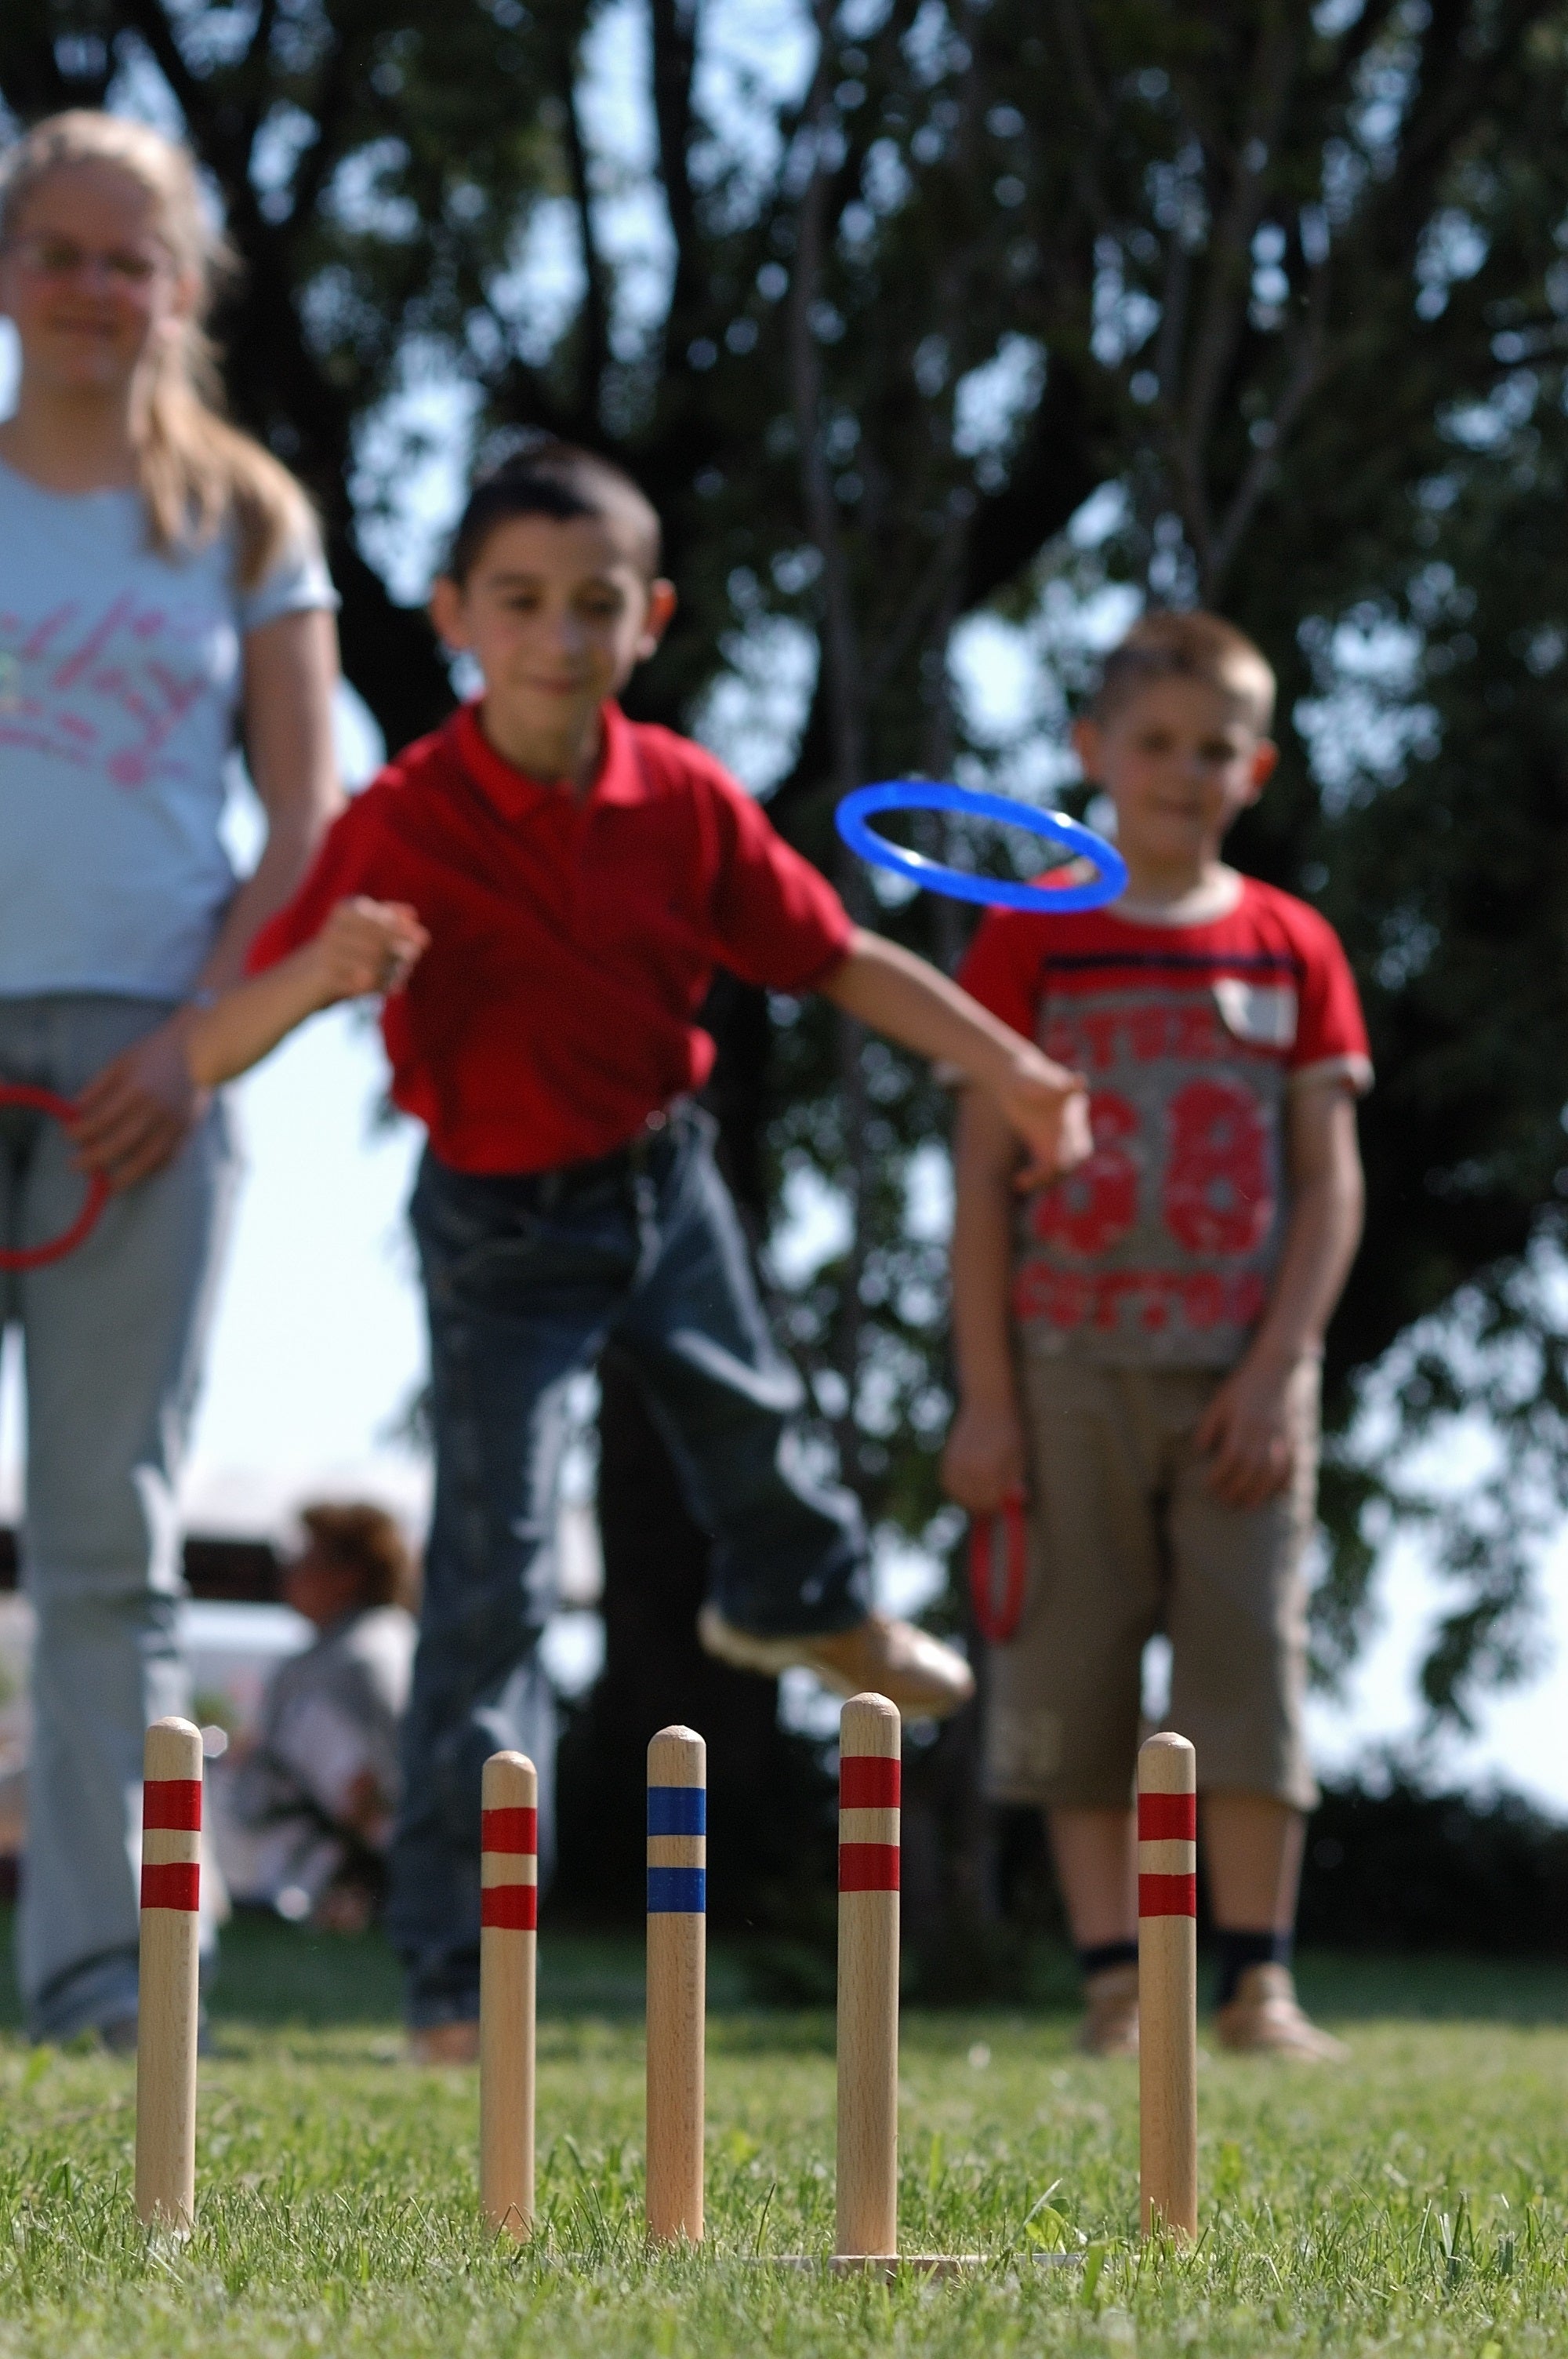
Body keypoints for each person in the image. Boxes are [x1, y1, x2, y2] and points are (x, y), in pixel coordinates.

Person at [183, 437, 1094, 2057]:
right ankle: (454, 1977)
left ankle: (814, 1605)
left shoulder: (679, 799)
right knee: (491, 1584)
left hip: (663, 1183)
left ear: (650, 616)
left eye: (594, 603)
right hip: (497, 1228)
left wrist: (1009, 1065)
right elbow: (220, 1039)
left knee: (756, 1422)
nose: (560, 635)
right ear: (456, 615)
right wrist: (320, 972)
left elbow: (837, 957)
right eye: (520, 600)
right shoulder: (398, 823)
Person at [0, 112, 341, 2045]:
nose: (89, 288)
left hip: (149, 1072)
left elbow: (302, 825)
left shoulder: (248, 518)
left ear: (181, 287)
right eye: (55, 251)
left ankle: (105, 1988)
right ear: (5, 272)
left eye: (125, 259)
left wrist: (197, 1034)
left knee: (103, 1546)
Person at [942, 612, 1370, 2059]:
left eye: (1215, 749)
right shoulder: (1031, 935)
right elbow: (979, 1180)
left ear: (1258, 767)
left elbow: (1330, 1182)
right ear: (1093, 752)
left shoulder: (1292, 945)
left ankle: (1257, 1985)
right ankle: (1118, 1985)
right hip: (1064, 1367)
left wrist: (1281, 1367)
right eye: (1156, 744)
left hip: (1242, 1376)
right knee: (1074, 1670)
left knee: (1247, 1667)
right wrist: (986, 1396)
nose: (1185, 773)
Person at [220, 1503, 418, 1933]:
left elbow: (367, 1795)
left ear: (349, 1574)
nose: (288, 1572)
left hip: (332, 1892)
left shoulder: (355, 1660)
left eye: (304, 1559)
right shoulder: (384, 1640)